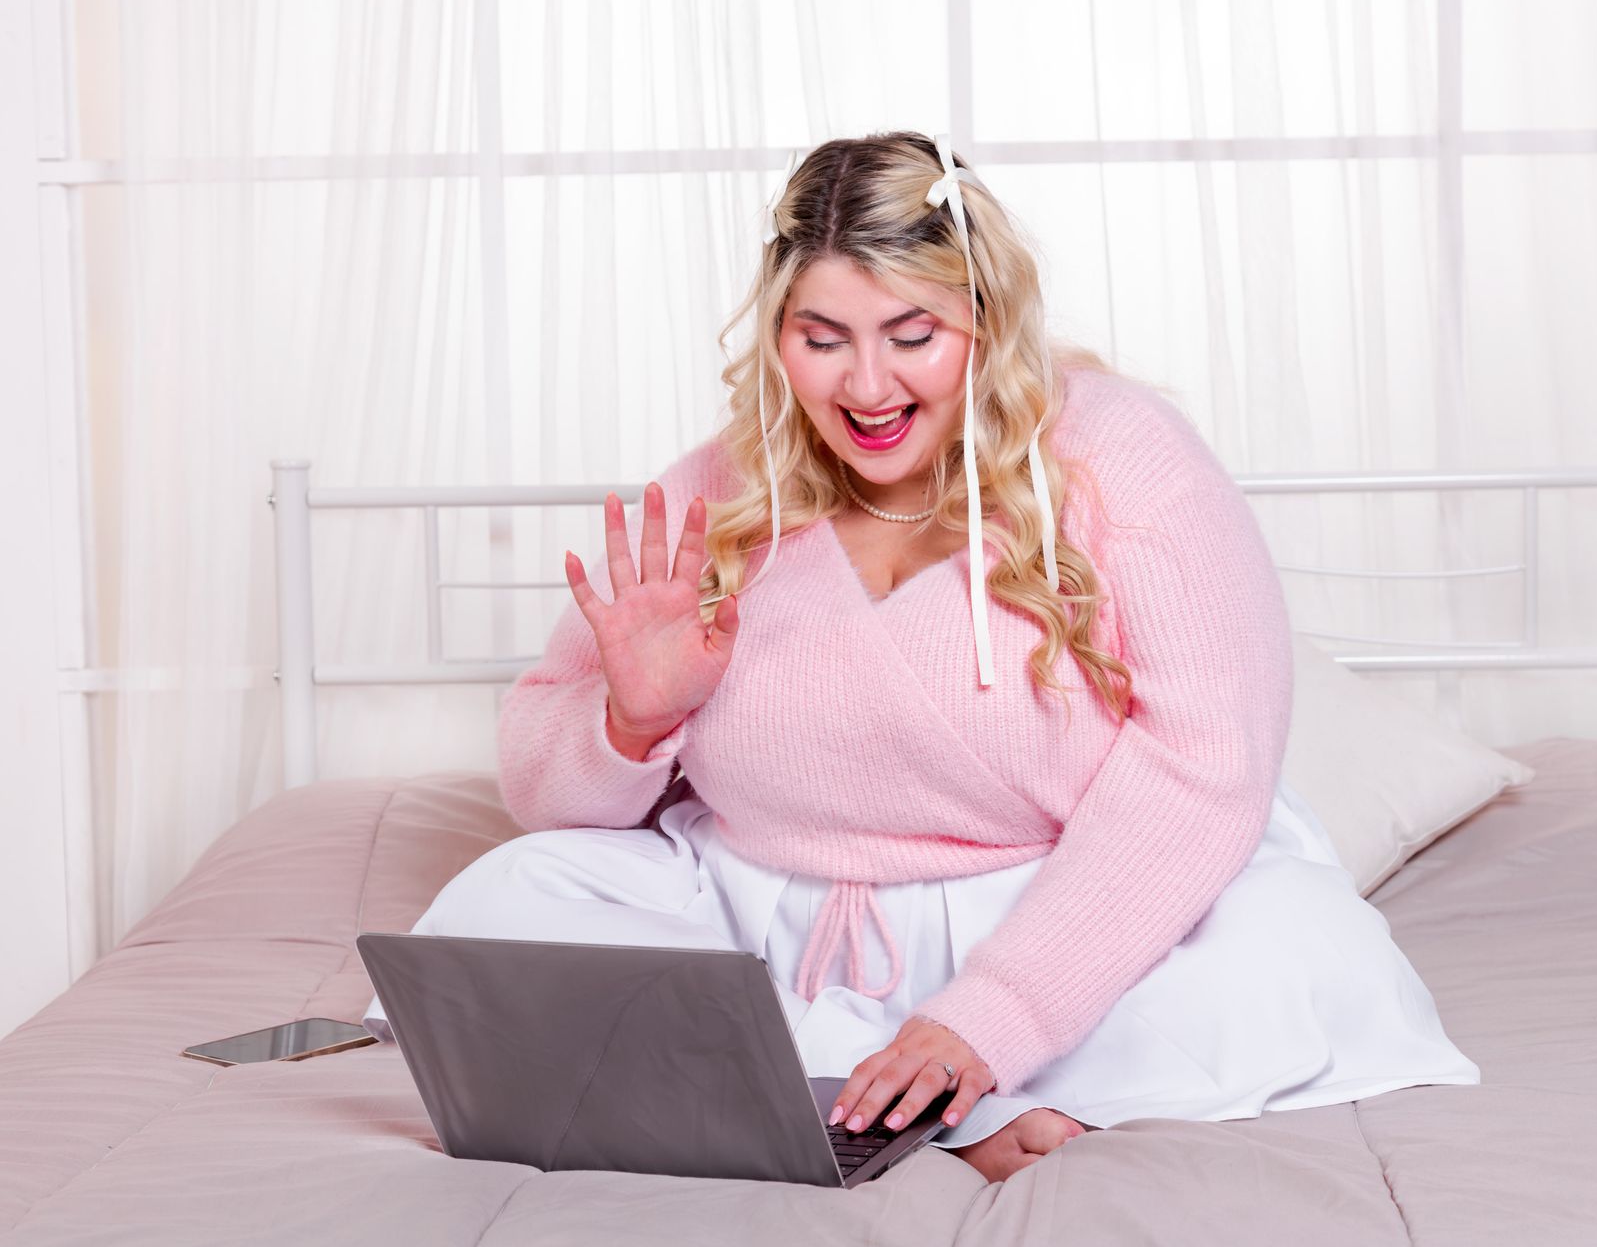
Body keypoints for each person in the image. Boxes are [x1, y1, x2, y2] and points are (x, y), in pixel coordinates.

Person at [363, 131, 1477, 1186]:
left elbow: (1205, 766)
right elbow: (547, 799)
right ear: (778, 334)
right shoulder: (720, 488)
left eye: (912, 335)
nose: (866, 387)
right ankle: (902, 1098)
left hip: (1058, 914)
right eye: (822, 339)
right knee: (506, 899)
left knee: (1301, 948)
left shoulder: (1123, 459)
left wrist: (992, 1017)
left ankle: (885, 1086)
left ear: (986, 317)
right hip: (763, 926)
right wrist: (632, 722)